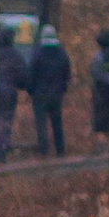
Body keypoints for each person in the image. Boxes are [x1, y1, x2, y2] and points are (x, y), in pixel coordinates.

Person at [27, 22, 71, 156]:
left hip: (40, 93)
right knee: (57, 122)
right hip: (57, 93)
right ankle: (60, 149)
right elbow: (67, 73)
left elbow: (31, 74)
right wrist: (63, 87)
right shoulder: (62, 53)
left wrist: (31, 90)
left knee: (41, 123)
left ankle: (44, 150)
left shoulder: (37, 53)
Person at [0, 25, 25, 161]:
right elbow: (23, 75)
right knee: (6, 121)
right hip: (9, 93)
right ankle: (2, 148)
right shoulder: (15, 56)